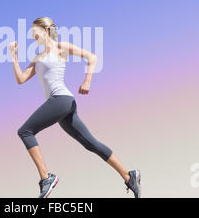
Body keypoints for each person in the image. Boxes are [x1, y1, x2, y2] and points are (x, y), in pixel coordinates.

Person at [9, 17, 141, 198]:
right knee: (91, 144)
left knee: (25, 131)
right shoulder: (38, 57)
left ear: (46, 31)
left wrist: (87, 80)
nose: (32, 36)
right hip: (63, 106)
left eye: (35, 32)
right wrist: (14, 57)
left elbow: (92, 57)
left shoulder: (60, 47)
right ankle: (129, 176)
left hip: (61, 99)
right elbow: (21, 79)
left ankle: (46, 177)